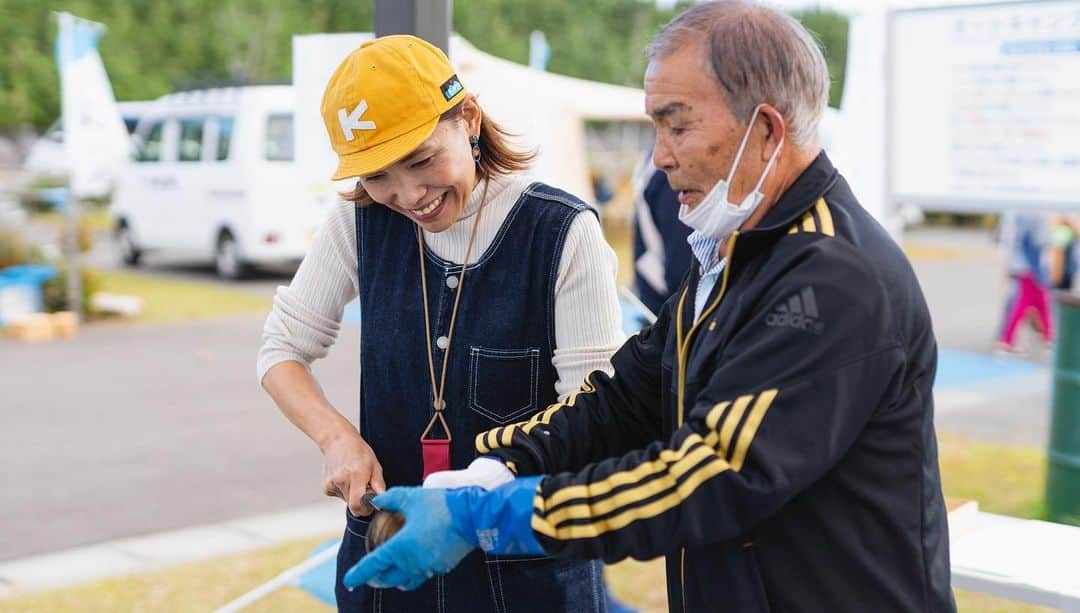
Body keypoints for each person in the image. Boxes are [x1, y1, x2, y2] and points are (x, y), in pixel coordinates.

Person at [343, 3, 956, 612]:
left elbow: (711, 474)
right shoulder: (736, 255)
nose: (659, 157)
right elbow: (626, 397)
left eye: (677, 126)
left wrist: (498, 512)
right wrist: (494, 466)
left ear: (766, 130)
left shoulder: (833, 276)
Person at [257, 35, 624, 611]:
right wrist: (337, 439)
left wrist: (479, 501)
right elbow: (280, 350)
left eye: (423, 160)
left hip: (529, 570)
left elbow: (594, 414)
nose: (408, 195)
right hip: (390, 557)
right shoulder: (359, 224)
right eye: (377, 175)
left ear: (469, 119)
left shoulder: (560, 232)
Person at [631, 148, 692, 316]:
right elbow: (682, 264)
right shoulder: (666, 172)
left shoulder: (653, 165)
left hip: (663, 299)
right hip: (668, 307)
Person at [999, 212, 1053, 351]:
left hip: (1022, 266)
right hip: (1030, 268)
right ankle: (1008, 340)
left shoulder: (1015, 215)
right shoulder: (1033, 215)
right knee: (1023, 305)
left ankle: (1048, 336)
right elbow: (1035, 243)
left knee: (1037, 304)